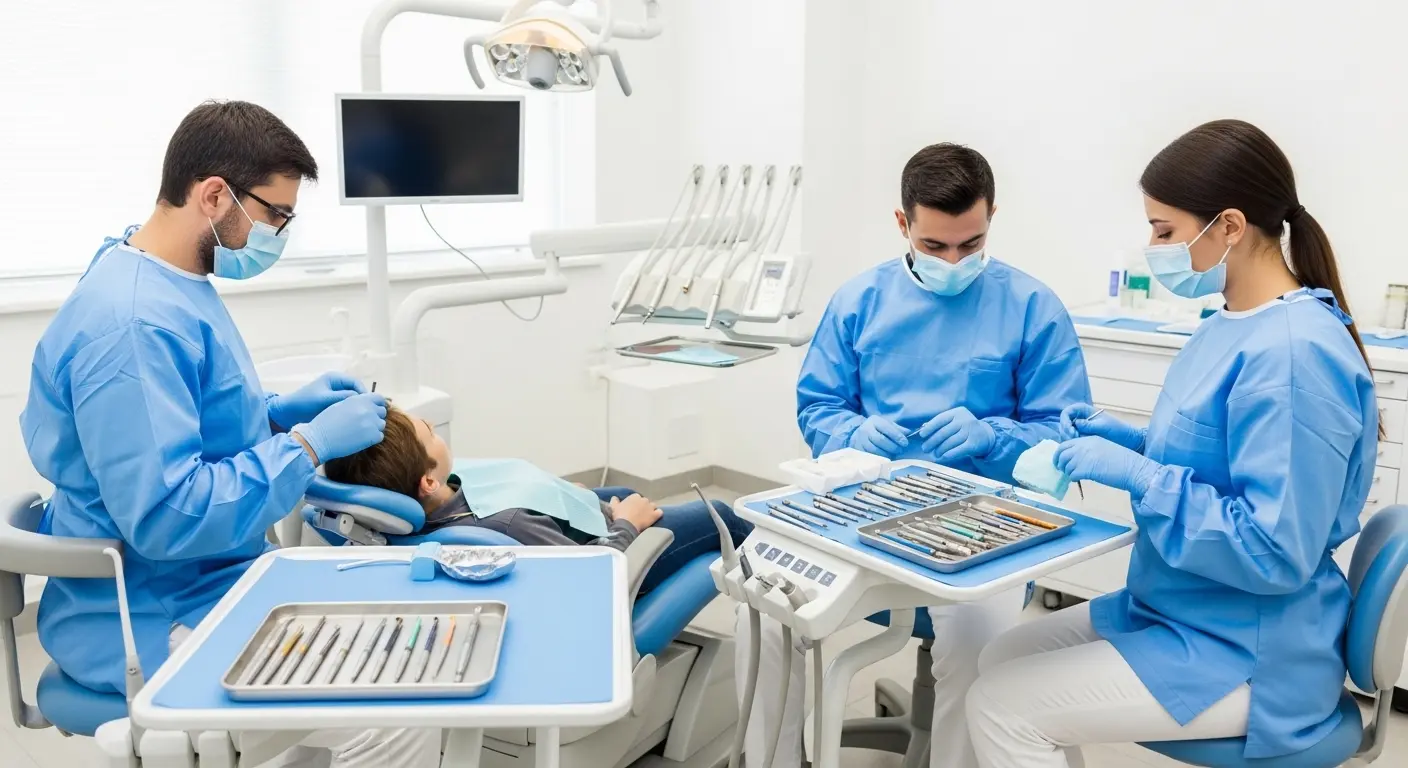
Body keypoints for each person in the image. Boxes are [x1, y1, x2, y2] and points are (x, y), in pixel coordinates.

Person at [21, 101, 438, 766]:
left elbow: (180, 420)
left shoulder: (160, 274)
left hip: (209, 576)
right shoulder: (133, 325)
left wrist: (275, 413)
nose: (279, 233)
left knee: (390, 642)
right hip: (155, 611)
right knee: (398, 710)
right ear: (214, 194)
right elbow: (166, 515)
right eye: (276, 215)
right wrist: (307, 446)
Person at [965, 119, 1379, 768]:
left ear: (1230, 227)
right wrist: (1127, 440)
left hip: (1252, 649)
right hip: (1183, 609)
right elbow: (1219, 458)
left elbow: (1276, 552)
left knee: (1001, 706)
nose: (1153, 247)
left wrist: (1136, 475)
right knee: (998, 658)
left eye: (1164, 231)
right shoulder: (1233, 323)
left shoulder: (1296, 355)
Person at [740, 143, 1092, 768]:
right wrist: (852, 435)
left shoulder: (1033, 308)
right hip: (862, 507)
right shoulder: (859, 302)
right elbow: (819, 406)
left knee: (980, 646)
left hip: (986, 518)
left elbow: (1064, 436)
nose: (955, 261)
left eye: (971, 244)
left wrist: (996, 437)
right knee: (762, 612)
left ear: (991, 219)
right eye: (935, 246)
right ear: (902, 223)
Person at [324, 407, 752, 592]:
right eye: (429, 434)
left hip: (546, 527)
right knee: (718, 514)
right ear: (427, 483)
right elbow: (588, 578)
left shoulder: (427, 501)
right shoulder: (508, 525)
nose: (434, 426)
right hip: (612, 562)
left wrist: (562, 498)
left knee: (620, 493)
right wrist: (628, 526)